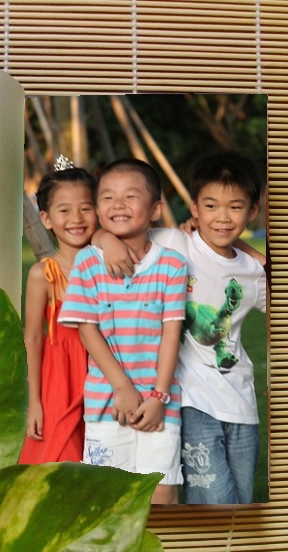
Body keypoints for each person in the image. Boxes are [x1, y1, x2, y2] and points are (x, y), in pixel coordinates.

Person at [92, 150, 267, 504]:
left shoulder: (253, 274)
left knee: (242, 506)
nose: (222, 217)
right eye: (211, 206)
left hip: (242, 402)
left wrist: (258, 257)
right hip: (190, 400)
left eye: (235, 207)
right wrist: (105, 240)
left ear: (252, 211)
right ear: (194, 209)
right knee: (215, 505)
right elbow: (117, 232)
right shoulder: (175, 243)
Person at [58, 158, 188, 504]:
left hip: (159, 403)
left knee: (162, 490)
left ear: (155, 209)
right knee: (106, 495)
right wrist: (123, 388)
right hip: (106, 400)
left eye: (130, 196)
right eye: (108, 197)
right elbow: (88, 330)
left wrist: (158, 397)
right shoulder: (88, 263)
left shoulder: (172, 265)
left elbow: (171, 334)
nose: (118, 204)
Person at [18, 156, 99, 464]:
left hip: (103, 371)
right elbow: (32, 338)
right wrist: (35, 402)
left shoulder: (110, 266)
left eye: (86, 208)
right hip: (60, 378)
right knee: (61, 459)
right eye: (64, 210)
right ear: (46, 218)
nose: (76, 218)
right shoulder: (43, 274)